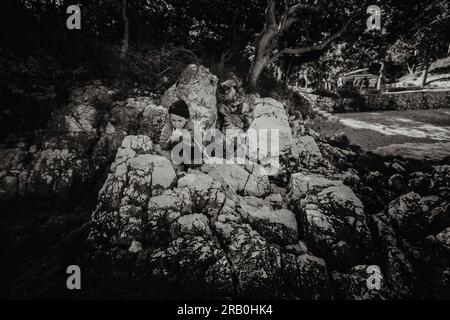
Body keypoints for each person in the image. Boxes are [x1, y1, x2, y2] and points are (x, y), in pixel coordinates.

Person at [159, 100, 201, 171]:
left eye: (180, 121)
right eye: (173, 120)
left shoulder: (191, 126)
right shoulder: (168, 127)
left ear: (187, 119)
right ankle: (183, 163)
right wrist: (171, 138)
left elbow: (199, 144)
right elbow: (162, 145)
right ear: (170, 118)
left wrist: (189, 139)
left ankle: (190, 163)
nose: (176, 124)